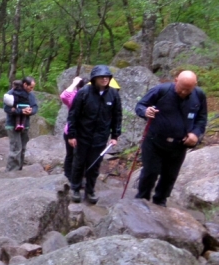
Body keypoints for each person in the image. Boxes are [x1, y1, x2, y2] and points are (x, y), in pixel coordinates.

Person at [134, 70, 207, 207]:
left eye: (188, 89)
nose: (184, 92)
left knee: (170, 175)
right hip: (154, 140)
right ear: (176, 80)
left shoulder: (199, 95)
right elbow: (140, 105)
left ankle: (160, 201)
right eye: (182, 88)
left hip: (179, 144)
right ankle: (141, 199)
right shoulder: (161, 90)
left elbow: (202, 118)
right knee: (150, 172)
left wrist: (195, 134)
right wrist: (145, 112)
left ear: (195, 85)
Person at [67, 65, 122, 204]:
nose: (105, 79)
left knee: (95, 165)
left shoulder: (114, 94)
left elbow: (117, 116)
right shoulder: (84, 92)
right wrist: (72, 135)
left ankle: (90, 191)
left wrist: (115, 136)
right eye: (101, 76)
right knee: (79, 162)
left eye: (107, 76)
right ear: (94, 78)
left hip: (101, 137)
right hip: (82, 135)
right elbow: (73, 114)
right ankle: (75, 188)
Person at [3, 76, 38, 172]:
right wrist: (21, 111)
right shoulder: (12, 93)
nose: (32, 89)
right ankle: (11, 172)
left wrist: (30, 111)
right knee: (16, 149)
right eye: (31, 87)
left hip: (25, 125)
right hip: (12, 124)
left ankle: (19, 170)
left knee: (22, 149)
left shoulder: (31, 95)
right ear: (25, 84)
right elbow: (7, 109)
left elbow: (35, 107)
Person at [60, 76, 86, 180]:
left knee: (82, 155)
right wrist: (74, 83)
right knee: (71, 154)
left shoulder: (94, 97)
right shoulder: (75, 96)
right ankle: (68, 176)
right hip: (72, 130)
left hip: (86, 131)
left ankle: (80, 176)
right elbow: (64, 96)